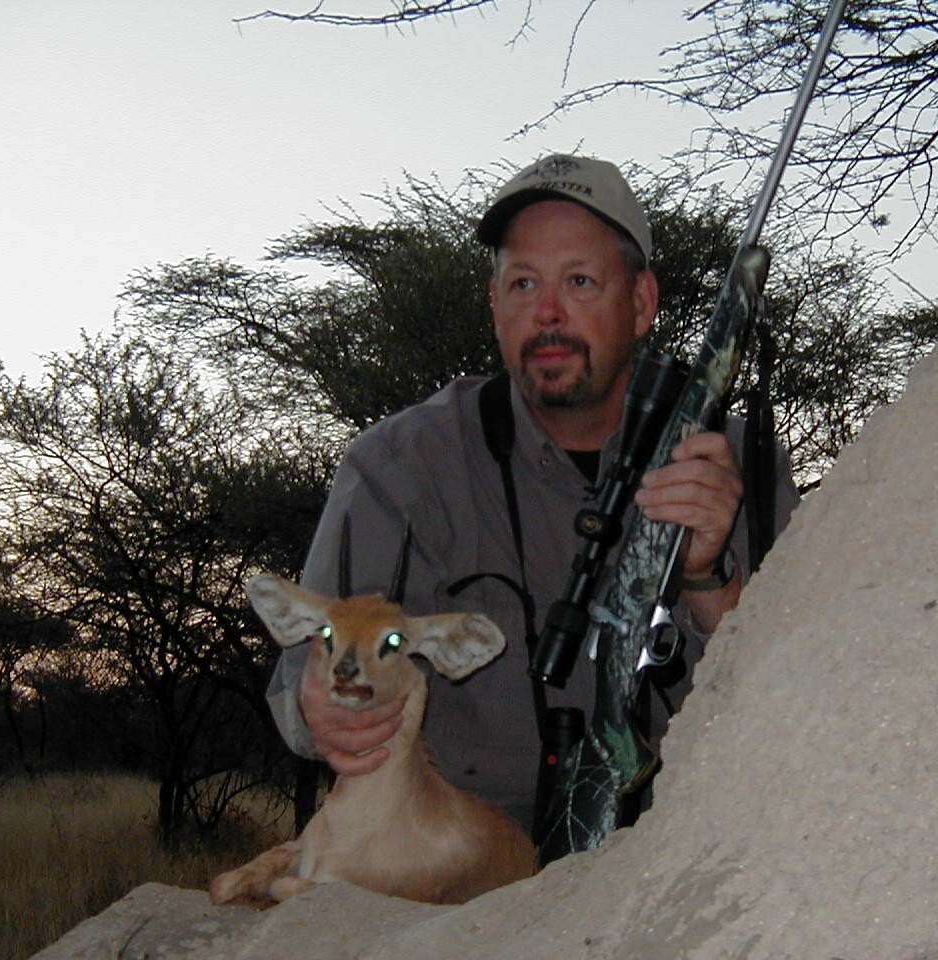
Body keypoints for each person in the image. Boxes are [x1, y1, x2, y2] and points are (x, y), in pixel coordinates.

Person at [266, 154, 799, 827]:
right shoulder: (398, 467)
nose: (547, 313)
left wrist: (708, 577)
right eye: (522, 283)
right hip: (462, 867)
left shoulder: (739, 464)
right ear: (495, 307)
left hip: (686, 849)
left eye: (579, 281)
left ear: (640, 304)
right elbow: (302, 683)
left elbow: (808, 689)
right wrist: (325, 703)